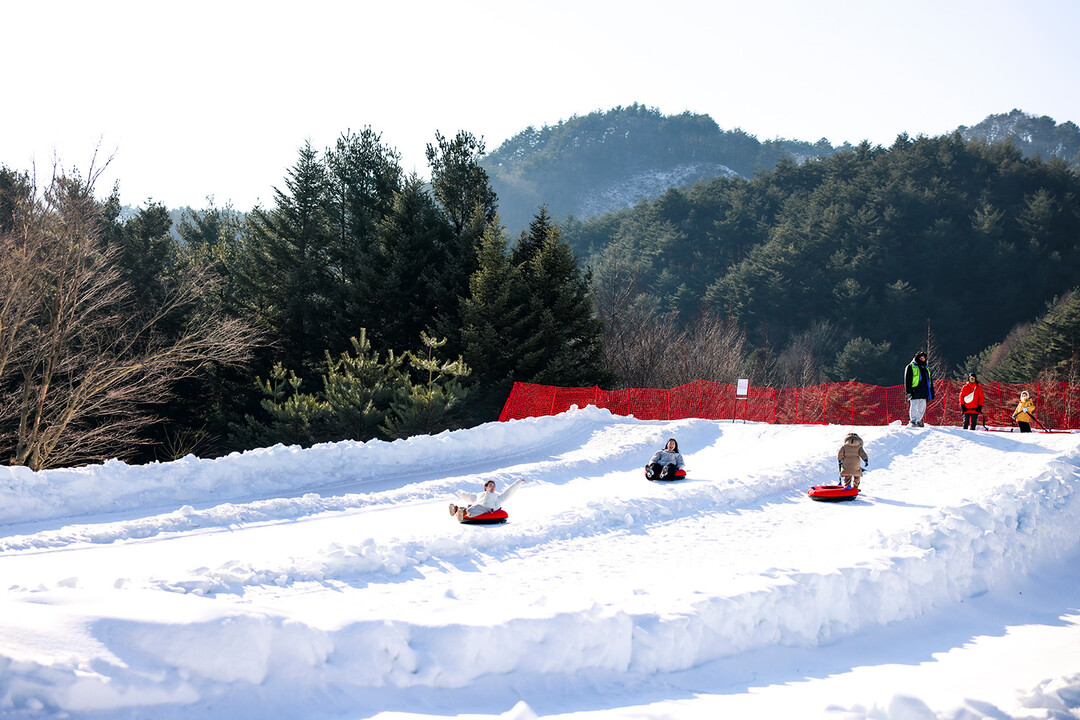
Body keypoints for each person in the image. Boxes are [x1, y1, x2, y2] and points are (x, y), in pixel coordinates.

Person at [449, 478, 526, 520]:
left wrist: (518, 482)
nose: (492, 487)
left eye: (494, 486)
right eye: (490, 486)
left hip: (488, 509)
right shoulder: (479, 495)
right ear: (486, 488)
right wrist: (457, 491)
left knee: (475, 508)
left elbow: (509, 491)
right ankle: (456, 510)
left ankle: (465, 512)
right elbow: (467, 495)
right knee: (471, 506)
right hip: (478, 506)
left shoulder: (498, 497)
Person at [904, 350, 934, 427]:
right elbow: (907, 379)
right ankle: (913, 421)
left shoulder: (926, 368)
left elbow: (929, 381)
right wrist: (909, 391)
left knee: (922, 408)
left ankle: (918, 421)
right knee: (914, 406)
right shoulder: (911, 366)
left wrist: (931, 391)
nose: (923, 359)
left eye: (924, 358)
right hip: (915, 390)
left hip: (924, 391)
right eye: (921, 358)